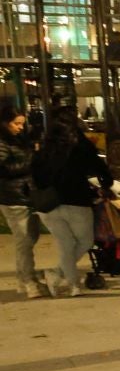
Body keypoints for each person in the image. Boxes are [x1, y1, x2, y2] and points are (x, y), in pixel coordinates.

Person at [29, 105, 112, 297]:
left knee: (65, 244)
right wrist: (105, 184)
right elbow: (100, 169)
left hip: (48, 205)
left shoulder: (43, 151)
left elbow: (35, 176)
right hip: (76, 201)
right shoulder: (81, 148)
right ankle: (58, 274)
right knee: (85, 241)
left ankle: (72, 284)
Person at [1, 98, 45, 299]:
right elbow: (6, 169)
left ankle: (24, 279)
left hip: (25, 194)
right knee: (25, 240)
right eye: (16, 123)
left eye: (21, 123)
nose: (20, 127)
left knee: (29, 238)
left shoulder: (17, 140)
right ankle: (29, 281)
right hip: (12, 196)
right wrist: (31, 160)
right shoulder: (2, 142)